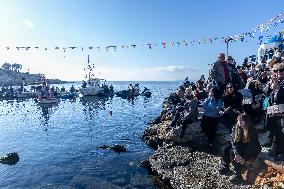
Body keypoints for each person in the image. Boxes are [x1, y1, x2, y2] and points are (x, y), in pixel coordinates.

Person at [219, 113, 261, 184]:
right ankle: (226, 166)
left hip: (251, 147)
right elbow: (234, 142)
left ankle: (237, 175)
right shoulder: (235, 127)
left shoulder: (252, 129)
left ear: (246, 121)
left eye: (241, 121)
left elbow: (252, 145)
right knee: (227, 148)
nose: (239, 122)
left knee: (232, 152)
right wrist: (237, 154)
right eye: (238, 120)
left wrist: (244, 158)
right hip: (240, 144)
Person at [266, 63, 284, 161]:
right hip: (277, 109)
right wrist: (270, 85)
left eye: (281, 70)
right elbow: (266, 94)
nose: (278, 72)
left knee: (282, 126)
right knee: (274, 126)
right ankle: (275, 146)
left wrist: (279, 89)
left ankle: (282, 151)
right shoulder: (277, 81)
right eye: (276, 71)